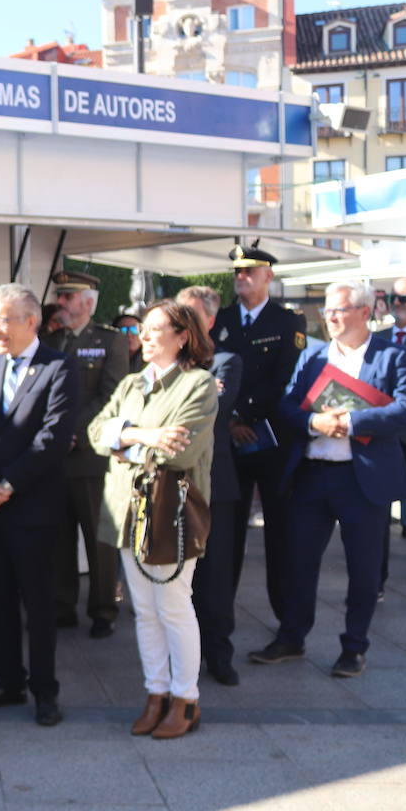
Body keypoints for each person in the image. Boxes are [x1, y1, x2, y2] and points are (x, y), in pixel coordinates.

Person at [249, 281, 406, 678]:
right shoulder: (313, 357)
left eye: (340, 309)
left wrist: (352, 421)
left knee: (363, 571)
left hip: (364, 482)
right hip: (313, 475)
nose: (331, 317)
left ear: (365, 313)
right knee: (298, 563)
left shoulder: (391, 356)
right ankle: (292, 637)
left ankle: (354, 647)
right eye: (327, 310)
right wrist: (314, 422)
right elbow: (287, 405)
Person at [90, 300, 218, 740]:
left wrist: (121, 440)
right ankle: (155, 693)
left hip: (170, 512)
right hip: (127, 507)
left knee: (174, 606)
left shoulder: (198, 384)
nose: (143, 336)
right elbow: (94, 434)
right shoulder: (130, 383)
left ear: (183, 336)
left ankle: (186, 698)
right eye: (142, 329)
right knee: (144, 610)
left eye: (155, 329)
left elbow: (178, 452)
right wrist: (142, 434)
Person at [0, 284, 77, 726]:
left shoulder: (59, 368)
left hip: (33, 508)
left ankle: (44, 691)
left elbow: (52, 439)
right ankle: (7, 681)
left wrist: (7, 484)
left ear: (31, 322)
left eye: (4, 319)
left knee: (39, 602)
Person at [212, 242, 307, 623]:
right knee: (227, 534)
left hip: (272, 441)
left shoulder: (288, 322)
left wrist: (246, 417)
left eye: (249, 271)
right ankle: (220, 616)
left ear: (268, 276)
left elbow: (286, 379)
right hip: (230, 441)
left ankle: (286, 619)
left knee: (279, 533)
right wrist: (231, 421)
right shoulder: (220, 320)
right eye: (237, 271)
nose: (241, 277)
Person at [41, 271, 127, 638]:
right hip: (54, 458)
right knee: (58, 537)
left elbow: (111, 396)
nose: (60, 302)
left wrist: (73, 432)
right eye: (59, 296)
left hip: (89, 455)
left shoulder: (110, 341)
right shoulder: (50, 339)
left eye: (68, 297)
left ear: (88, 303)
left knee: (99, 538)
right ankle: (62, 605)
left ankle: (104, 608)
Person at [176, 286, 244, 686]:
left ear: (211, 321)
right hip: (171, 487)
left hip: (215, 488)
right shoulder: (161, 363)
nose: (180, 322)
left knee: (215, 579)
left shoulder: (225, 362)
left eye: (191, 315)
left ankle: (219, 655)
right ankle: (184, 658)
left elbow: (209, 414)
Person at [375, 278, 406, 579]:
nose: (397, 303)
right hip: (378, 435)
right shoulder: (376, 338)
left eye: (404, 298)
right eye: (394, 296)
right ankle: (375, 581)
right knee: (375, 514)